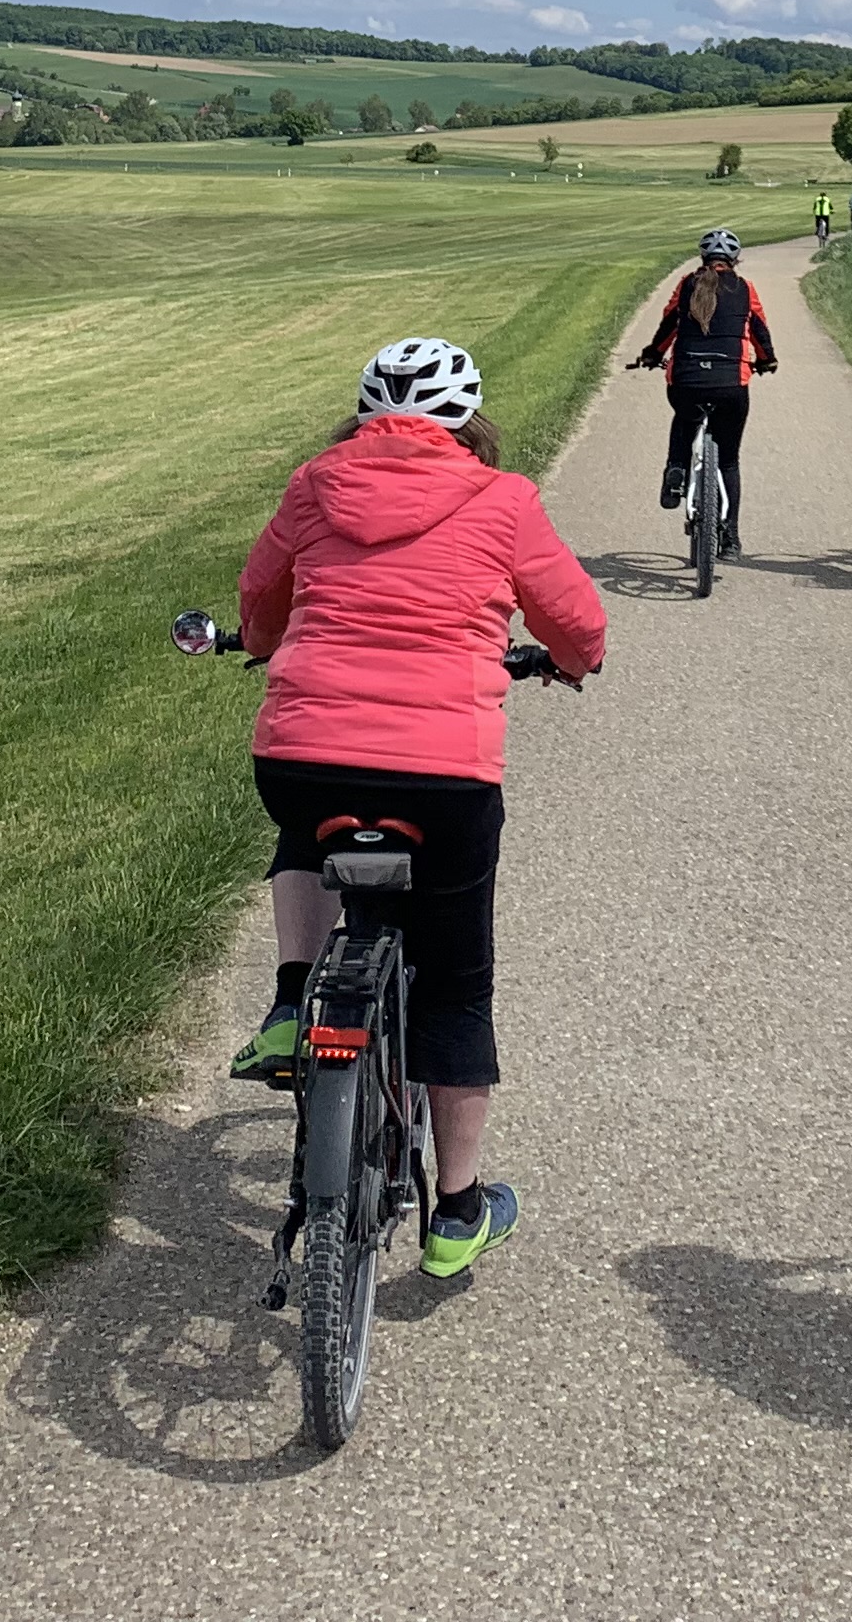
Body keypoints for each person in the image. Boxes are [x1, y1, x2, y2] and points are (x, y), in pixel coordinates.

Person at [230, 335, 609, 1278]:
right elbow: (575, 620)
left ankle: (290, 1001)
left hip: (307, 756)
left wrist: (262, 641)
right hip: (445, 777)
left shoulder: (315, 483)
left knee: (302, 829)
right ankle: (457, 1211)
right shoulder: (501, 496)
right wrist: (571, 661)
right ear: (468, 421)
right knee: (454, 985)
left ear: (364, 415)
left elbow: (260, 598)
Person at [631, 228, 779, 544]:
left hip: (686, 379)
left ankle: (676, 470)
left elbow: (669, 325)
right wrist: (767, 361)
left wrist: (652, 354)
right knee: (728, 460)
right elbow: (760, 332)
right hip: (731, 384)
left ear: (703, 258)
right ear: (735, 260)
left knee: (685, 417)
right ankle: (731, 539)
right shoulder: (745, 288)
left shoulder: (686, 285)